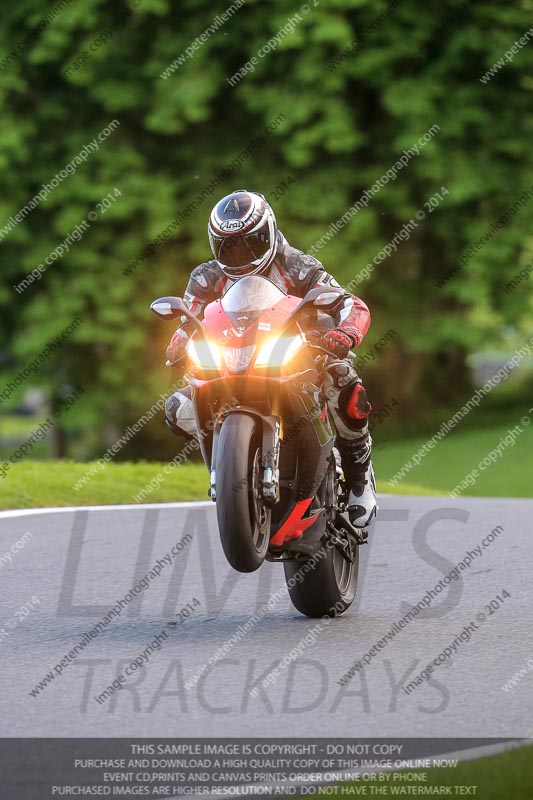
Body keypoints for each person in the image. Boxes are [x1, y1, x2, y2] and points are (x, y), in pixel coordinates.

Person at [164, 189, 377, 527]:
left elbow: (351, 303)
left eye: (249, 243)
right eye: (228, 245)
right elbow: (188, 319)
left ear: (269, 233)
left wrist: (345, 332)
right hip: (230, 360)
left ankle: (359, 475)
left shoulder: (298, 265)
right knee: (177, 409)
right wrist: (178, 340)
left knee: (343, 379)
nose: (239, 254)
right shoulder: (205, 277)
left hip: (299, 356)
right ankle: (234, 463)